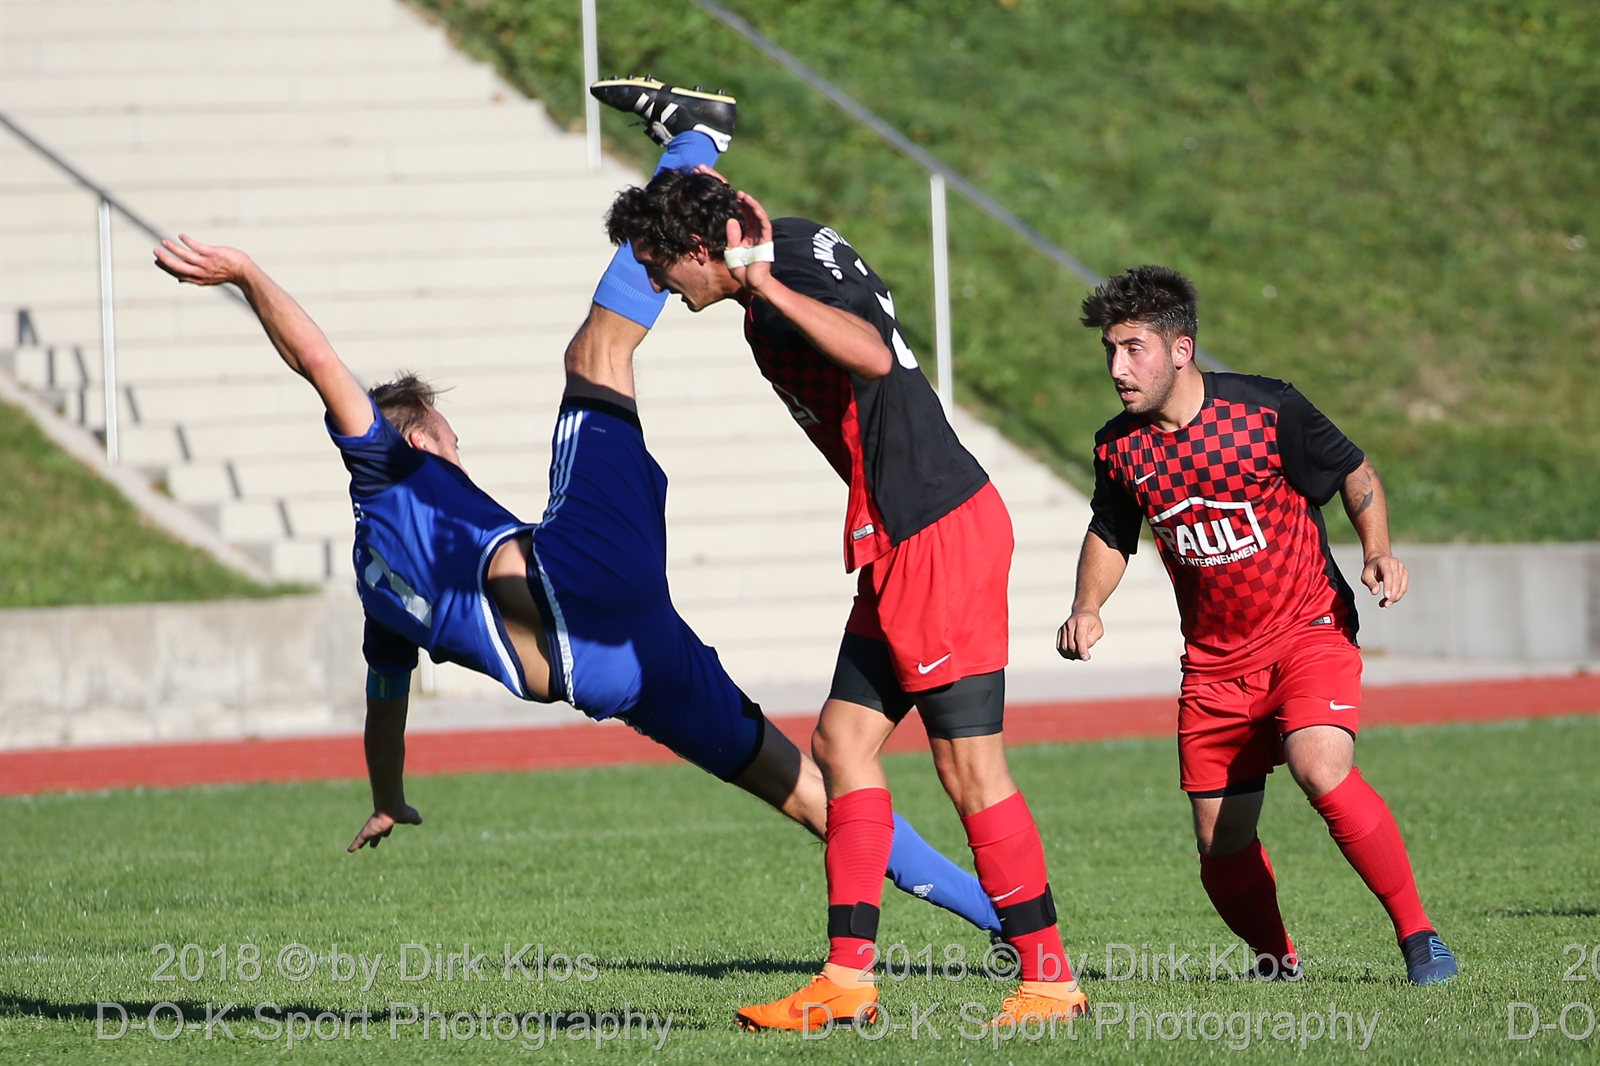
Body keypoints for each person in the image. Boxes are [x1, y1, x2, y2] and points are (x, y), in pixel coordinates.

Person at [148, 88, 1000, 945]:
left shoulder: (374, 589)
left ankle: (1005, 920)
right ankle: (694, 145)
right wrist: (248, 275)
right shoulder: (381, 464)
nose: (457, 443)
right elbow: (316, 359)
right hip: (584, 578)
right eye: (447, 431)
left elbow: (385, 706)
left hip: (612, 675)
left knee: (809, 792)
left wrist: (387, 794)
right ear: (420, 435)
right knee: (596, 352)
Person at [600, 154, 1087, 1030]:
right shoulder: (782, 246)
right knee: (840, 743)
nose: (659, 287)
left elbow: (872, 356)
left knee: (968, 768)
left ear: (702, 250)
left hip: (938, 532)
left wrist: (766, 287)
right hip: (903, 536)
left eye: (659, 267)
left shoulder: (775, 277)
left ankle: (1049, 981)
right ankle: (847, 981)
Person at [1057, 265, 1458, 985]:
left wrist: (1377, 551)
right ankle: (1277, 963)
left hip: (1307, 628)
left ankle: (1419, 936)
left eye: (1133, 348)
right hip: (1214, 664)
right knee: (1220, 842)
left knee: (1319, 768)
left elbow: (1354, 472)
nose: (1117, 367)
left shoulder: (1266, 410)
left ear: (1181, 350)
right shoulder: (1119, 446)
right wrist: (1087, 607)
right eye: (1110, 350)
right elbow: (1112, 531)